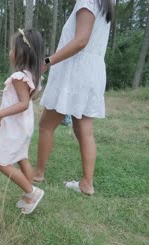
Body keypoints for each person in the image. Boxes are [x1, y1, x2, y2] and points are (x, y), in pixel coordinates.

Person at [33, 0, 114, 195]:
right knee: (83, 130)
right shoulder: (103, 4)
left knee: (46, 125)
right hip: (91, 72)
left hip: (75, 73)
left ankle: (37, 174)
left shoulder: (87, 2)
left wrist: (47, 61)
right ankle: (86, 183)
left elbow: (80, 41)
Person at [0, 29, 45, 214]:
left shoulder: (19, 77)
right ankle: (29, 196)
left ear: (21, 53)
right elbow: (31, 99)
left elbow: (23, 103)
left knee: (3, 164)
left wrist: (0, 114)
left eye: (12, 49)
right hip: (24, 125)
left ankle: (32, 191)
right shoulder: (33, 75)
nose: (9, 52)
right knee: (22, 158)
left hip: (16, 126)